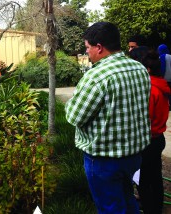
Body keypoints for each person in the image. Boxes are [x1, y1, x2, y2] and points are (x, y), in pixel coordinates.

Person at [65, 22, 151, 213]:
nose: (86, 52)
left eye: (87, 47)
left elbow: (74, 116)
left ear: (99, 47)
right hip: (133, 156)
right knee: (128, 200)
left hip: (105, 160)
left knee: (111, 208)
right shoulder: (140, 69)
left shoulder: (97, 76)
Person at [132, 49, 170, 214]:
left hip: (148, 140)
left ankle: (149, 209)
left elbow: (145, 118)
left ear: (147, 69)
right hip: (158, 138)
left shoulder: (149, 90)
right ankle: (157, 206)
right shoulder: (161, 85)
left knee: (144, 180)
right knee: (155, 177)